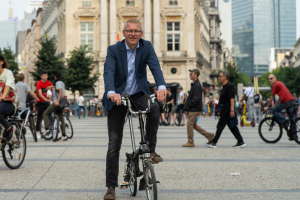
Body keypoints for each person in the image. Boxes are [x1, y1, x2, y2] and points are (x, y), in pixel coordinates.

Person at [102, 19, 167, 200]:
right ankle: (111, 187)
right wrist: (111, 92)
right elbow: (108, 71)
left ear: (141, 33)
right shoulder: (114, 50)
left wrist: (161, 86)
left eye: (136, 31)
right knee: (114, 143)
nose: (133, 34)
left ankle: (150, 150)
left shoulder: (146, 47)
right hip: (117, 97)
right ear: (124, 33)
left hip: (138, 93)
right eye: (129, 31)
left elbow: (155, 66)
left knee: (154, 108)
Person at [206, 71, 246, 148]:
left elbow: (232, 99)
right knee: (232, 126)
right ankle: (240, 141)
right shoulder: (224, 86)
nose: (219, 78)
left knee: (220, 126)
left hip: (227, 109)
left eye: (220, 76)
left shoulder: (229, 86)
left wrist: (231, 110)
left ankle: (214, 142)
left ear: (225, 77)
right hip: (224, 108)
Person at [182, 69, 214, 147]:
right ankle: (208, 135)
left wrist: (189, 105)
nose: (190, 75)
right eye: (190, 74)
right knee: (194, 125)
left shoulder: (197, 85)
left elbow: (196, 98)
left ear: (196, 75)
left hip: (194, 109)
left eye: (191, 74)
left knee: (189, 124)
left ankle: (190, 142)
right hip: (194, 108)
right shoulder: (195, 84)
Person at [42, 72, 68, 141]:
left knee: (45, 113)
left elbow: (60, 92)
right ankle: (64, 135)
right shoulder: (62, 83)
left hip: (57, 103)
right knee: (61, 119)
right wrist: (51, 87)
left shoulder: (57, 83)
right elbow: (58, 89)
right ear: (61, 77)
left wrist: (57, 101)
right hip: (62, 103)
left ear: (55, 77)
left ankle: (47, 129)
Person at [0, 54, 18, 142]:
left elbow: (7, 86)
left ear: (1, 62)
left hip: (9, 102)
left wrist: (3, 96)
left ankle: (8, 128)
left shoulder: (8, 73)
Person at [36, 71, 53, 139]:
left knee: (50, 116)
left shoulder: (48, 82)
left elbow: (53, 88)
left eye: (46, 75)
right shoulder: (39, 83)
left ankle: (48, 130)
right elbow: (40, 94)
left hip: (47, 102)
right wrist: (46, 99)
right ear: (41, 76)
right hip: (40, 103)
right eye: (44, 76)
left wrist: (51, 88)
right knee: (39, 118)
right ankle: (37, 132)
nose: (46, 77)